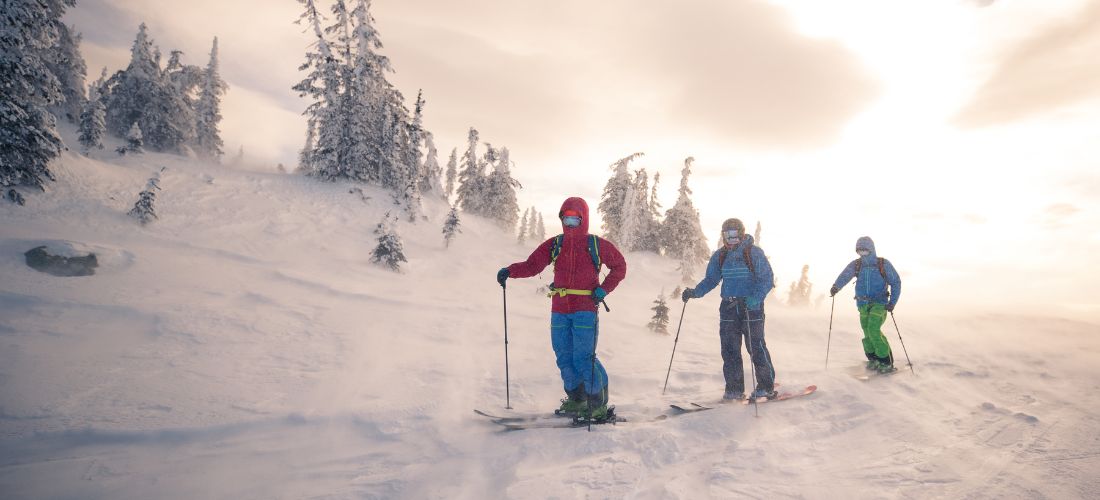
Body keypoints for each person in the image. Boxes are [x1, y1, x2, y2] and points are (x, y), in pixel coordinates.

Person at [496, 197, 627, 419]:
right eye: (566, 219)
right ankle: (577, 399)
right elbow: (532, 265)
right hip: (559, 310)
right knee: (564, 356)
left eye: (575, 219)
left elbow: (620, 266)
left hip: (585, 309)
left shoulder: (595, 244)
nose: (570, 223)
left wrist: (603, 289)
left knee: (583, 357)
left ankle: (597, 405)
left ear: (584, 220)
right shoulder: (555, 244)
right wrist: (510, 271)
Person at [681, 218, 777, 401]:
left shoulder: (753, 253)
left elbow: (766, 279)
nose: (731, 239)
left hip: (751, 307)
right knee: (730, 349)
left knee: (755, 347)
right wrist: (695, 292)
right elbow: (711, 279)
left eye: (734, 234)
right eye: (727, 235)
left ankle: (766, 387)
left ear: (741, 234)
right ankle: (734, 390)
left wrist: (755, 298)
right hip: (728, 307)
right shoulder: (720, 255)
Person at [829, 236, 902, 373]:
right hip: (862, 303)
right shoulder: (857, 264)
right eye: (859, 251)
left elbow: (896, 282)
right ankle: (873, 359)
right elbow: (845, 275)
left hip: (880, 303)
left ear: (871, 249)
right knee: (867, 331)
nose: (862, 253)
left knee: (873, 329)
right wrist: (836, 287)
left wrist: (892, 302)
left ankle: (885, 361)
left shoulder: (882, 264)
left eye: (864, 250)